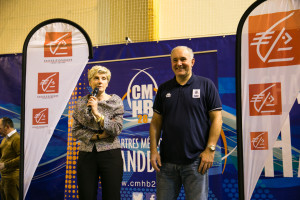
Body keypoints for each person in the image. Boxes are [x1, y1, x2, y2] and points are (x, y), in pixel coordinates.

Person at [150, 46, 223, 200]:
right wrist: (153, 151)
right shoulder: (164, 89)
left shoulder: (206, 85)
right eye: (175, 60)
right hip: (166, 163)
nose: (179, 63)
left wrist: (210, 149)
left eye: (183, 59)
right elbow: (156, 122)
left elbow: (217, 119)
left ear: (192, 62)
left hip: (196, 161)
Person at [72, 65, 124, 200]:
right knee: (86, 196)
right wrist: (98, 136)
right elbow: (76, 131)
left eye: (103, 78)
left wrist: (96, 113)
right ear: (90, 82)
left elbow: (116, 129)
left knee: (112, 196)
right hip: (87, 155)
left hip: (111, 154)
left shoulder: (115, 101)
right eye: (96, 78)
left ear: (107, 83)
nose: (100, 81)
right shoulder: (81, 102)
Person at [0, 117, 20, 200]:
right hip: (4, 178)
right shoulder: (4, 139)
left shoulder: (17, 139)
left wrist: (5, 165)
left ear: (7, 127)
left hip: (12, 179)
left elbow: (21, 158)